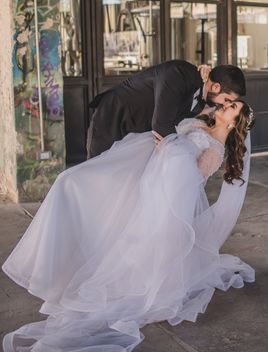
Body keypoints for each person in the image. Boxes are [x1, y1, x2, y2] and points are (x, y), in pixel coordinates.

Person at [2, 100, 255, 352]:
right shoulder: (203, 123)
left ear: (234, 122)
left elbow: (194, 178)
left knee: (145, 245)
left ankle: (141, 285)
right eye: (230, 102)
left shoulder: (216, 147)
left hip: (169, 199)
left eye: (232, 107)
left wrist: (169, 150)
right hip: (152, 181)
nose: (226, 105)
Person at [86, 61, 246, 158]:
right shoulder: (178, 74)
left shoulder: (201, 99)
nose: (224, 105)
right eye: (227, 100)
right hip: (112, 118)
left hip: (134, 134)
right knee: (97, 175)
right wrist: (184, 160)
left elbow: (201, 106)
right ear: (216, 87)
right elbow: (161, 125)